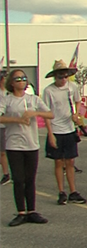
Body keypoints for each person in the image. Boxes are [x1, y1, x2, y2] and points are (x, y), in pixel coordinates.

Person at [0, 69, 54, 226]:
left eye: (24, 78)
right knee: (18, 178)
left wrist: (34, 114)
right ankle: (21, 212)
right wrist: (16, 119)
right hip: (14, 144)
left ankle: (32, 211)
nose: (21, 81)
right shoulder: (7, 100)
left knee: (30, 179)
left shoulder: (33, 99)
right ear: (11, 82)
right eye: (17, 79)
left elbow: (50, 114)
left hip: (31, 143)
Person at [42, 59, 87, 205]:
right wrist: (50, 134)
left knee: (70, 161)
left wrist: (77, 114)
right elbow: (46, 113)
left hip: (69, 129)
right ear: (55, 77)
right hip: (56, 129)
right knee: (58, 162)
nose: (63, 80)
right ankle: (61, 191)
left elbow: (78, 101)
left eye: (65, 76)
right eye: (60, 77)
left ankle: (73, 191)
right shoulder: (49, 91)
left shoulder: (72, 87)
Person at [0, 70, 11, 185]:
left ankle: (7, 173)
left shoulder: (9, 93)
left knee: (4, 151)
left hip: (7, 125)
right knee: (2, 151)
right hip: (1, 124)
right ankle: (6, 172)